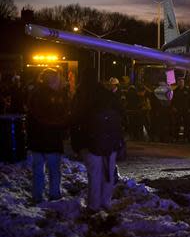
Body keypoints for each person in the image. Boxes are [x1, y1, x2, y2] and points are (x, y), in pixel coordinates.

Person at [71, 67, 124, 212]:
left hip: (91, 142)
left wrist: (76, 143)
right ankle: (106, 202)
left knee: (94, 174)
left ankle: (94, 205)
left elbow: (75, 120)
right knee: (108, 173)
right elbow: (121, 116)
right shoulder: (109, 95)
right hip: (110, 141)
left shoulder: (82, 95)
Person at [27, 69, 69, 203]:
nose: (59, 81)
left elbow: (33, 116)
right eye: (57, 79)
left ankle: (37, 196)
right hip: (51, 139)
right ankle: (54, 194)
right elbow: (54, 118)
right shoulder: (55, 96)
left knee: (38, 169)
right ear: (51, 80)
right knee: (54, 169)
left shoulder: (35, 93)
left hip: (37, 140)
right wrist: (63, 123)